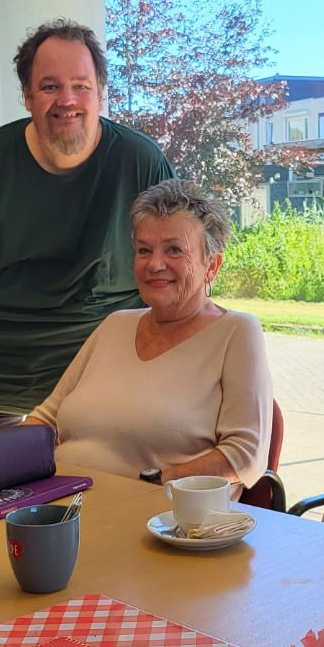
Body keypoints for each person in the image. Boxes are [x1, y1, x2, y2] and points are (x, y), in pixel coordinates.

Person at [0, 20, 174, 435]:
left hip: (100, 397)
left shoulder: (141, 163)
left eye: (81, 85)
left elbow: (180, 262)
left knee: (118, 499)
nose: (67, 100)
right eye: (49, 87)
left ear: (101, 93)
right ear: (27, 96)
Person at [26, 179, 271, 493]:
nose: (155, 264)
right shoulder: (115, 324)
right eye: (144, 250)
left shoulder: (236, 332)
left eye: (174, 250)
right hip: (57, 502)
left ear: (211, 266)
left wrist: (148, 486)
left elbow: (244, 457)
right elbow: (45, 419)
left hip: (156, 519)